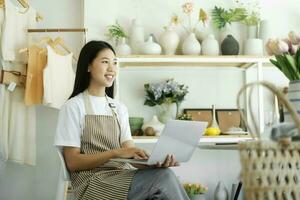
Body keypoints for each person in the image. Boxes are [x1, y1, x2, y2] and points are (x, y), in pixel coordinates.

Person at [54, 40, 190, 200]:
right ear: (88, 66)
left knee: (162, 174)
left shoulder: (119, 108)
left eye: (115, 62)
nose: (112, 68)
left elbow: (131, 154)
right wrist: (115, 153)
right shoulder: (73, 107)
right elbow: (73, 162)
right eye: (105, 62)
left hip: (122, 176)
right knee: (164, 179)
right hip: (92, 182)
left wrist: (153, 164)